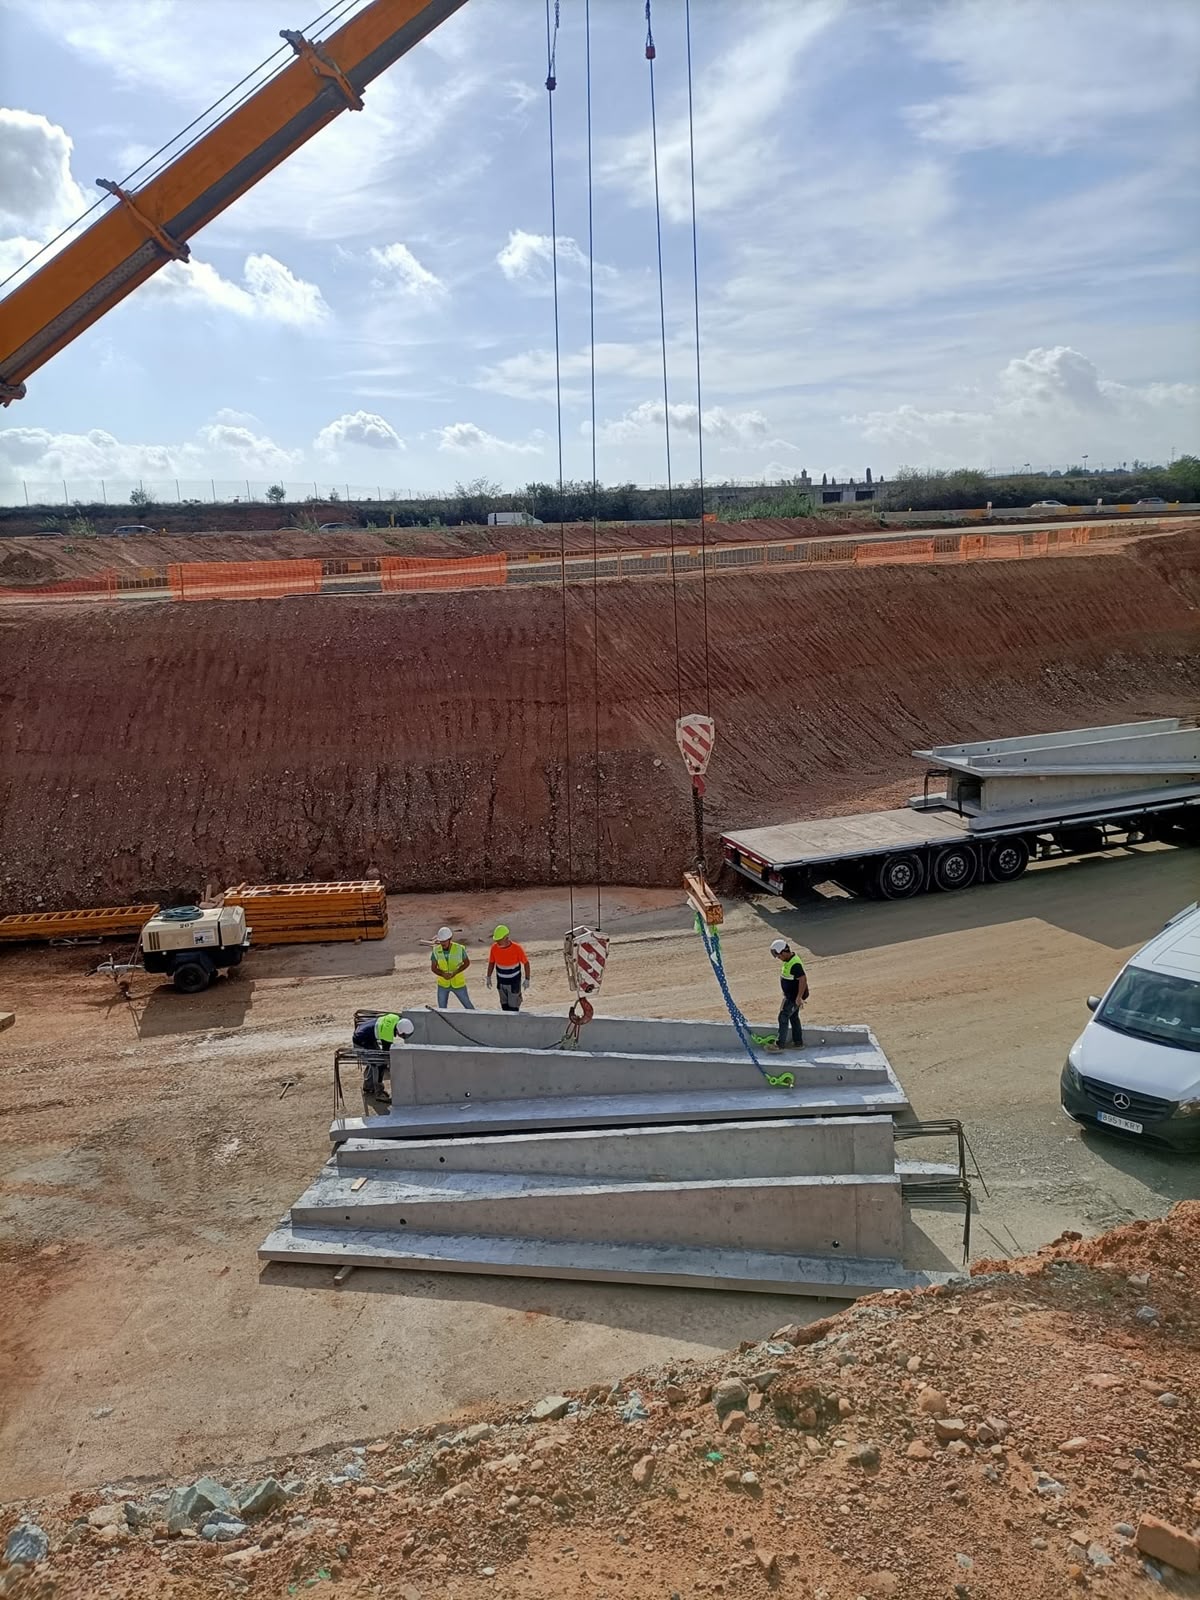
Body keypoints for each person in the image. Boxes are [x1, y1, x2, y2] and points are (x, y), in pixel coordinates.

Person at [766, 937, 808, 1052]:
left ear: (784, 952)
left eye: (779, 956)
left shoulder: (795, 964)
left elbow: (803, 979)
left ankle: (779, 1045)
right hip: (791, 995)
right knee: (793, 1017)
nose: (779, 958)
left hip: (793, 997)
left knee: (783, 1017)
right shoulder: (789, 960)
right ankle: (797, 1042)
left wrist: (799, 997)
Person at [486, 925, 532, 1011]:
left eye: (499, 940)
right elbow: (491, 962)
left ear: (506, 938)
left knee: (513, 1007)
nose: (497, 942)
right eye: (497, 940)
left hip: (513, 983)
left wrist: (527, 979)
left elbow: (526, 963)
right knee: (504, 1007)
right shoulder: (494, 948)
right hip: (501, 983)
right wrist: (488, 976)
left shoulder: (517, 948)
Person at [431, 926, 474, 1010]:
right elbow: (433, 968)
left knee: (468, 1006)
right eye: (441, 941)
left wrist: (455, 972)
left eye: (444, 941)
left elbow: (466, 963)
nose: (442, 943)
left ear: (450, 939)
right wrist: (442, 974)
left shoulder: (459, 949)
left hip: (458, 983)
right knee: (442, 1010)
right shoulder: (436, 951)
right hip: (443, 984)